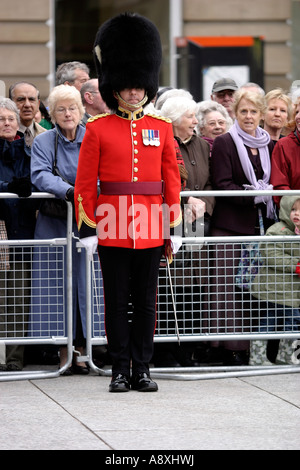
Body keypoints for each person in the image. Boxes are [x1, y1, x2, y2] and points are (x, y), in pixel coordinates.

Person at [74, 13, 182, 392]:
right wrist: (88, 228)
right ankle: (120, 368)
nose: (134, 93)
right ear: (114, 86)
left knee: (147, 303)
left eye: (140, 87)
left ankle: (143, 368)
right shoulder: (98, 129)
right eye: (128, 87)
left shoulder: (162, 127)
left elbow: (171, 179)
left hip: (151, 226)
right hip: (111, 225)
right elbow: (85, 182)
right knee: (117, 303)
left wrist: (173, 225)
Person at [210, 89, 276, 365]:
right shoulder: (225, 142)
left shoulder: (270, 144)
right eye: (243, 112)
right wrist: (258, 194)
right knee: (226, 290)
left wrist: (266, 194)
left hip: (261, 226)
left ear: (262, 115)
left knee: (255, 290)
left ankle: (251, 348)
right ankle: (227, 348)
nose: (248, 117)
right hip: (230, 226)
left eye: (253, 112)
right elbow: (222, 184)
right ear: (234, 114)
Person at [30, 84, 92, 375]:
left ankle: (86, 351)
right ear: (52, 115)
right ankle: (63, 353)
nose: (68, 114)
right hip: (53, 223)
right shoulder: (44, 141)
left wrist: (89, 193)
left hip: (89, 222)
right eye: (61, 109)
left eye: (72, 108)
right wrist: (69, 191)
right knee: (56, 287)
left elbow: (105, 171)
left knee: (88, 286)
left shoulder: (92, 136)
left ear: (81, 111)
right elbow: (40, 175)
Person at [159, 96, 215, 366]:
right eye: (190, 117)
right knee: (171, 287)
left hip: (198, 223)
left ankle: (188, 351)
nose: (196, 121)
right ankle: (167, 352)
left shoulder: (202, 146)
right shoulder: (162, 143)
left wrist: (205, 203)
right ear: (174, 120)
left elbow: (211, 183)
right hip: (169, 222)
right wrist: (184, 201)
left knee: (195, 287)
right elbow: (158, 183)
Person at [0, 97, 37, 371]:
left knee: (17, 297)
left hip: (22, 231)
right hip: (2, 228)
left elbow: (35, 179)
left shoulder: (27, 150)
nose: (7, 123)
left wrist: (28, 186)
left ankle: (13, 359)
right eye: (1, 119)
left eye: (11, 118)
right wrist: (8, 186)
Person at [249, 195, 300, 366]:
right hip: (272, 288)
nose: (296, 214)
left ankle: (286, 356)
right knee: (268, 320)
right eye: (293, 209)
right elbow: (270, 254)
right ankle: (257, 358)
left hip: (291, 291)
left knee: (292, 322)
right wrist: (295, 265)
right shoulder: (277, 230)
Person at [270, 95, 300, 208]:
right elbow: (280, 188)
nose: (298, 116)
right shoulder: (284, 145)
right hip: (294, 217)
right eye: (297, 112)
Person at [8, 82, 46, 147]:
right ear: (11, 103)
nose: (27, 105)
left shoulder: (47, 136)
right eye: (21, 100)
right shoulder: (3, 134)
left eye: (31, 99)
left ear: (38, 104)